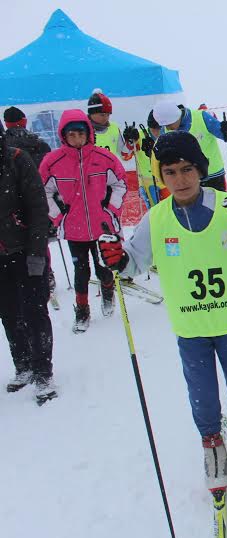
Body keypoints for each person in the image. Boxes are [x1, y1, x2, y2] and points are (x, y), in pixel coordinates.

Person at [97, 130, 227, 491]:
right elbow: (134, 262)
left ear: (200, 169)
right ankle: (211, 441)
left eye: (187, 169)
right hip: (190, 325)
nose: (180, 179)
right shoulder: (157, 218)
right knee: (203, 392)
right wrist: (118, 260)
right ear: (161, 176)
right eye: (170, 172)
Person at [39, 110, 127, 333]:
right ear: (64, 136)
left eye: (81, 134)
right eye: (72, 135)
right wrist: (59, 216)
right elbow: (44, 192)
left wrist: (110, 210)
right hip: (74, 229)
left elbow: (120, 185)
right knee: (81, 270)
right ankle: (82, 308)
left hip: (102, 227)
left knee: (104, 265)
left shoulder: (104, 158)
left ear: (88, 134)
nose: (77, 140)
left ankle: (108, 292)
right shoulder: (53, 162)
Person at [0, 127, 56, 404]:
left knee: (34, 311)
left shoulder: (17, 159)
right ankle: (23, 365)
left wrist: (36, 252)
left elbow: (37, 207)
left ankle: (43, 370)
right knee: (8, 313)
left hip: (25, 251)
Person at [152, 100, 227, 192]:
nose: (168, 128)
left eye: (169, 124)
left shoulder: (201, 117)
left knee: (217, 205)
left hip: (212, 175)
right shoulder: (165, 130)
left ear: (176, 116)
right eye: (165, 125)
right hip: (186, 177)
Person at [87, 90, 124, 159]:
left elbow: (124, 156)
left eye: (108, 115)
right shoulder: (83, 130)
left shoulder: (114, 128)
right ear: (92, 113)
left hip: (110, 169)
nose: (106, 118)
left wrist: (129, 143)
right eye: (102, 115)